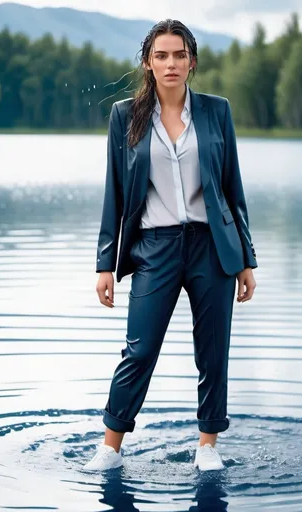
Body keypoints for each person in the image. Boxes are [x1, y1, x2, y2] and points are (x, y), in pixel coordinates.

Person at [83, 19, 257, 473]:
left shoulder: (217, 112)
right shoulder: (125, 116)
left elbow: (232, 189)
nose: (171, 63)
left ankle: (207, 446)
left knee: (213, 349)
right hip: (153, 249)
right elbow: (114, 193)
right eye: (161, 55)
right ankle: (110, 447)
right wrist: (105, 263)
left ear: (192, 61)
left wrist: (246, 260)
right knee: (138, 351)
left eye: (179, 55)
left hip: (212, 247)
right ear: (148, 63)